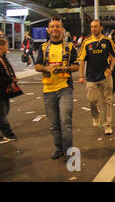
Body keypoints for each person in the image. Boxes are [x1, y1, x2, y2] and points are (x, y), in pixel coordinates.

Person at [35, 19, 79, 161]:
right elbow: (37, 66)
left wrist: (64, 68)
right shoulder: (43, 48)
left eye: (58, 26)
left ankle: (68, 151)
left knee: (65, 121)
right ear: (48, 30)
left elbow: (77, 66)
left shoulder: (70, 47)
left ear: (62, 30)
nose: (55, 29)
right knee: (54, 124)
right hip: (48, 90)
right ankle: (59, 148)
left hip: (65, 88)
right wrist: (46, 68)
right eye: (52, 27)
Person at [78, 20, 115, 135]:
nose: (93, 29)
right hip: (91, 77)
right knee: (92, 100)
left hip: (106, 76)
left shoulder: (108, 41)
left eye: (96, 26)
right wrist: (81, 75)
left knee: (107, 102)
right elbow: (81, 59)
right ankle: (95, 116)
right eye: (91, 27)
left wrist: (111, 69)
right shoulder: (86, 42)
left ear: (101, 28)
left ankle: (107, 125)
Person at [0, 38, 19, 142]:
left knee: (5, 111)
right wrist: (10, 79)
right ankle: (8, 133)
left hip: (5, 89)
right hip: (1, 90)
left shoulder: (3, 58)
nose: (7, 48)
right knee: (2, 114)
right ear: (1, 47)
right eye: (6, 46)